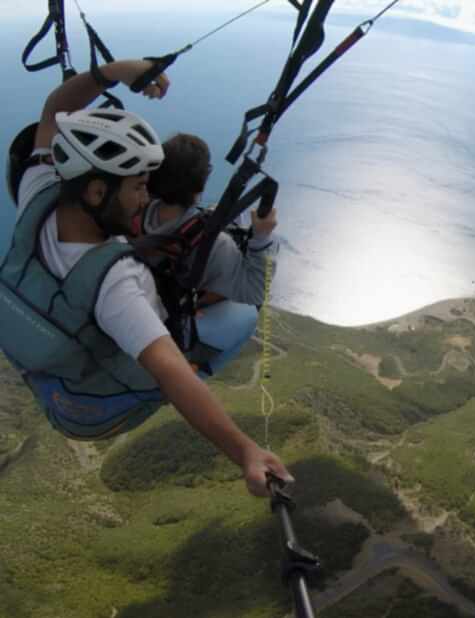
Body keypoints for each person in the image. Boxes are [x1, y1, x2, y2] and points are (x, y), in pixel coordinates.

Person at [0, 58, 293, 497]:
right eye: (138, 186)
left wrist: (116, 72)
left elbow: (52, 110)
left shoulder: (39, 193)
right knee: (242, 317)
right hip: (93, 407)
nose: (144, 197)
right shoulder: (116, 284)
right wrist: (245, 451)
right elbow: (172, 372)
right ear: (97, 191)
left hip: (48, 368)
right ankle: (198, 348)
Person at [141, 132, 279, 308]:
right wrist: (262, 239)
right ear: (199, 185)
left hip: (145, 296)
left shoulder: (135, 213)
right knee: (243, 313)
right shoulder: (214, 244)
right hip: (173, 313)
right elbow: (255, 293)